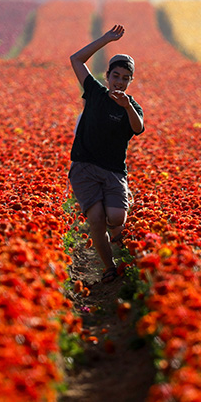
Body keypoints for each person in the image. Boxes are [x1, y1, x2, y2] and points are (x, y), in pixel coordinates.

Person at [68, 24, 145, 284]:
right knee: (97, 219)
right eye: (116, 76)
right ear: (108, 75)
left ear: (130, 81)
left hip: (113, 170)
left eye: (125, 78)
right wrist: (105, 39)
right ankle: (109, 267)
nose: (119, 82)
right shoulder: (95, 92)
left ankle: (120, 225)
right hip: (85, 166)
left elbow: (138, 128)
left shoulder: (131, 106)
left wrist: (127, 107)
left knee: (116, 217)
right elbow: (76, 60)